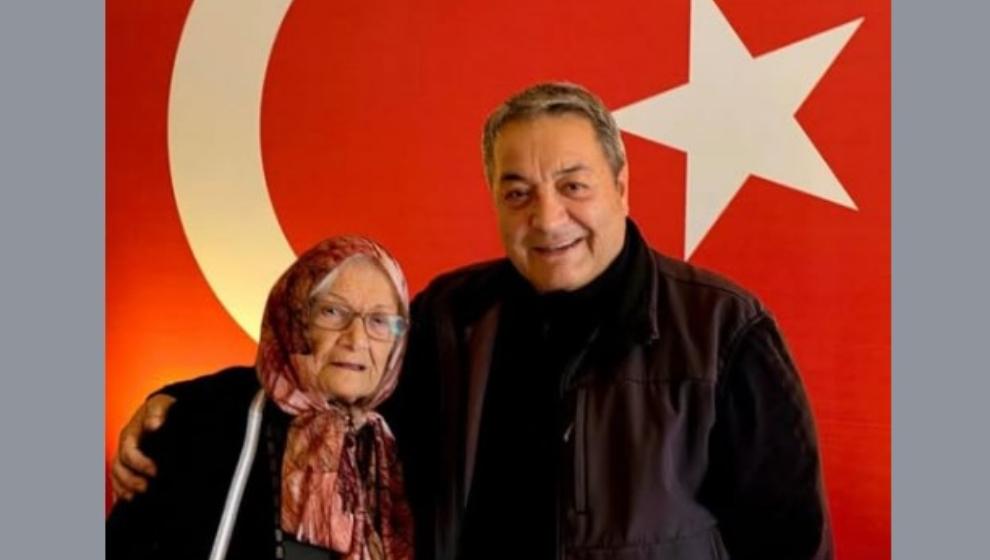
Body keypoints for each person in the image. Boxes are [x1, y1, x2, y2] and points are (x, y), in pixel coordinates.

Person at [112, 83, 832, 559]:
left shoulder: (723, 329)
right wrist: (184, 404)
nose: (547, 217)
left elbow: (789, 542)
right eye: (517, 192)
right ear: (492, 198)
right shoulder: (453, 314)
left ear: (620, 185)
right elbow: (340, 385)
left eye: (573, 186)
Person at [107, 236, 415, 559]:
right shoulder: (200, 421)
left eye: (379, 321)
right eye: (333, 312)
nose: (357, 339)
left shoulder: (401, 440)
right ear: (295, 317)